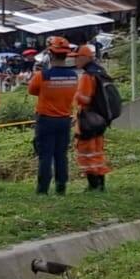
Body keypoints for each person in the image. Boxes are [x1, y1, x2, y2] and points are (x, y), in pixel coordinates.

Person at [28, 37, 80, 196]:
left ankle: (42, 190)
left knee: (45, 155)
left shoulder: (42, 76)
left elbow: (32, 90)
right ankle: (61, 187)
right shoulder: (73, 76)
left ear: (50, 54)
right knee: (61, 155)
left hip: (45, 120)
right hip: (64, 120)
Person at [73, 44, 112, 191]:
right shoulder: (100, 72)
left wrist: (75, 93)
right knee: (97, 152)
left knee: (86, 152)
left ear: (83, 58)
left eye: (76, 58)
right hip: (100, 119)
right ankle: (101, 184)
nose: (75, 61)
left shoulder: (87, 76)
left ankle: (93, 185)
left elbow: (85, 99)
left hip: (88, 119)